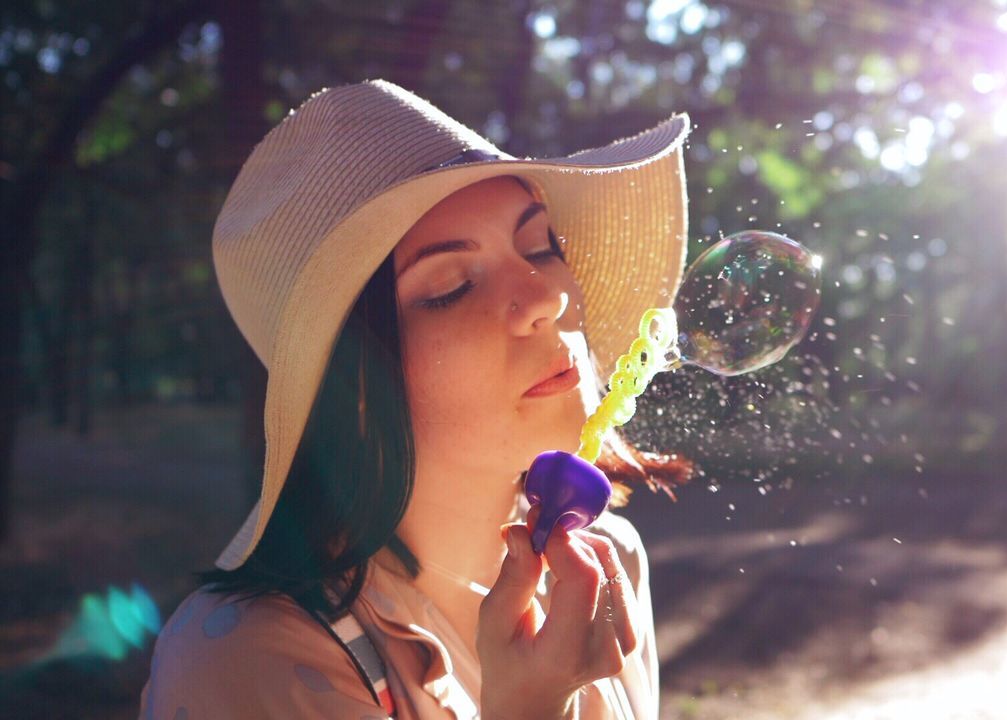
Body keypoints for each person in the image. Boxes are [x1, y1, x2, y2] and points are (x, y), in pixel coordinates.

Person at [139, 79, 693, 720]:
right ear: (356, 389)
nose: (548, 297)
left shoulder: (610, 562)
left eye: (541, 246)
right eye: (452, 286)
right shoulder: (245, 660)